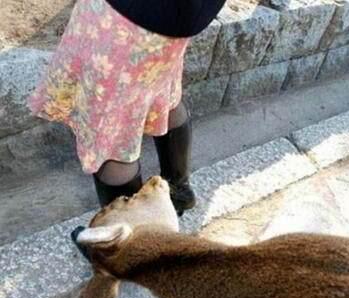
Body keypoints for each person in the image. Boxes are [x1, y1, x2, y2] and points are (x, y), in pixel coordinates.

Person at [28, 0, 226, 216]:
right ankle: (178, 192)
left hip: (124, 18)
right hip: (180, 18)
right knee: (163, 98)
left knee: (113, 139)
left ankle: (127, 240)